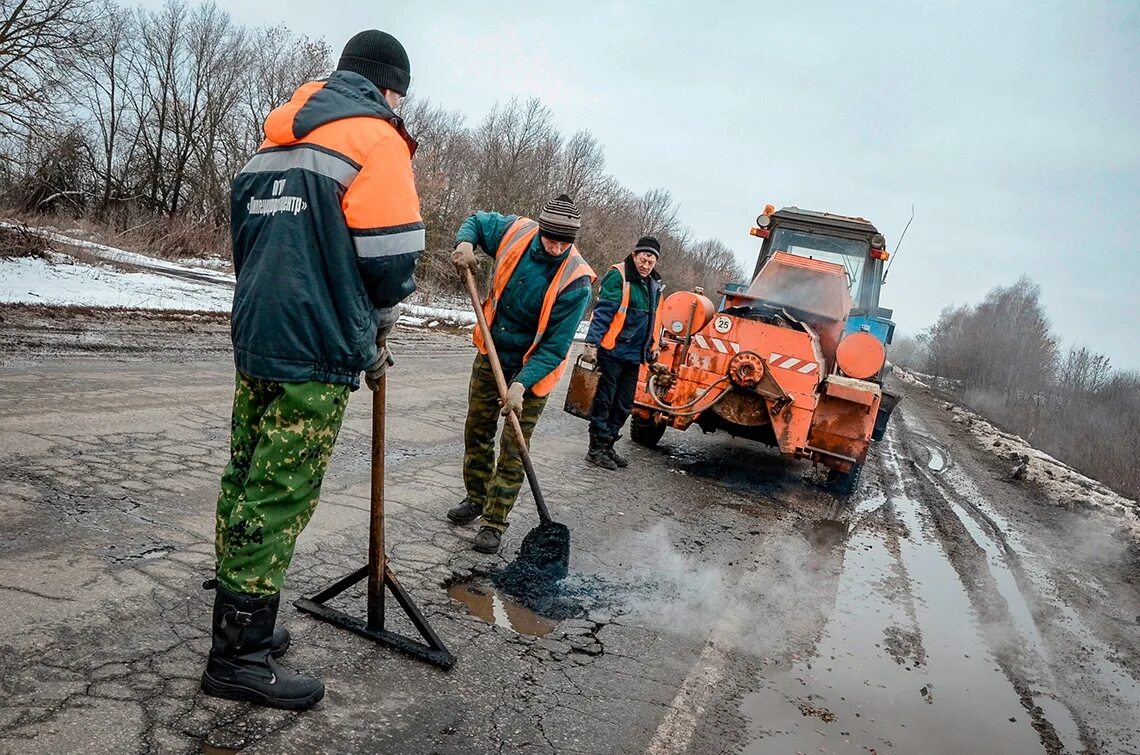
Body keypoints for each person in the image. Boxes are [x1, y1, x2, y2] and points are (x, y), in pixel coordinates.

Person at [202, 30, 423, 711]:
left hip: (259, 333)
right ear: (389, 88)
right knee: (279, 491)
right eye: (400, 95)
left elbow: (248, 239)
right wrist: (376, 328)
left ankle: (245, 624)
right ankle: (238, 656)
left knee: (246, 473)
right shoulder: (377, 139)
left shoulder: (275, 137)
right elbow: (389, 260)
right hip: (315, 345)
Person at [447, 195, 596, 553]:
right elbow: (478, 221)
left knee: (514, 445)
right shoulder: (516, 232)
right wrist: (465, 243)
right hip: (492, 349)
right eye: (551, 238)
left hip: (534, 370)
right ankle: (476, 498)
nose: (557, 247)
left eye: (565, 242)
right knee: (477, 428)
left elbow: (555, 348)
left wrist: (520, 384)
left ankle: (494, 521)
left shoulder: (577, 283)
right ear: (541, 230)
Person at [582, 237, 664, 469]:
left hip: (634, 355)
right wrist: (592, 343)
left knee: (624, 404)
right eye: (644, 259)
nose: (646, 265)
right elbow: (604, 311)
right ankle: (596, 449)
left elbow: (652, 321)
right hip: (612, 351)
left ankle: (608, 445)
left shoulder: (654, 284)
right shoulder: (619, 275)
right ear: (635, 255)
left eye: (651, 261)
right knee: (605, 401)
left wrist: (652, 350)